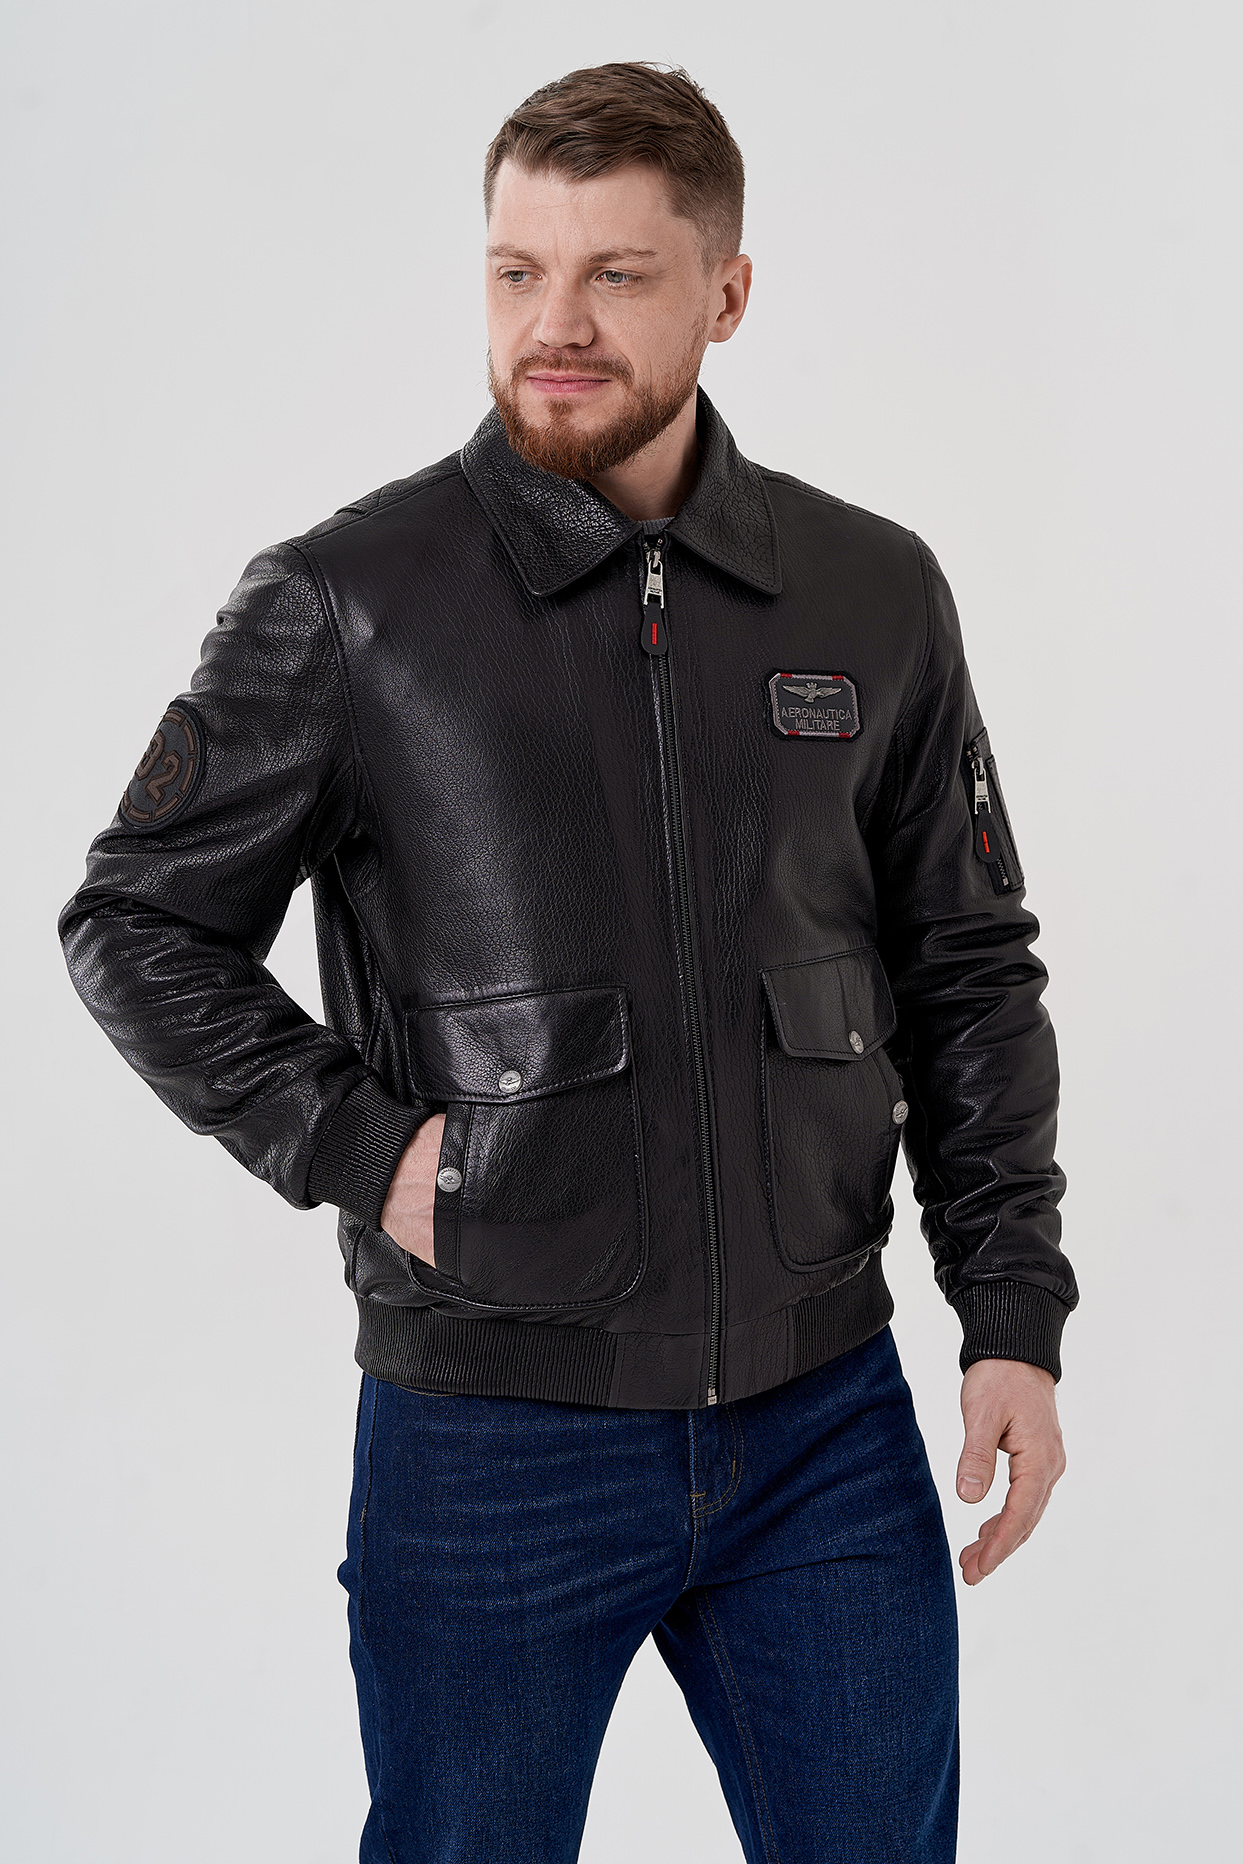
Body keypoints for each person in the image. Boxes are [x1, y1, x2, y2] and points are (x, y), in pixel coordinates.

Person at [58, 61, 1077, 1864]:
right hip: (491, 1434)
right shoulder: (348, 600)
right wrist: (362, 1147)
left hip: (824, 1421)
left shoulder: (873, 592)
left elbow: (969, 966)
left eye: (616, 274)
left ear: (727, 294)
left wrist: (1011, 1317)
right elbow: (135, 921)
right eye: (518, 271)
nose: (556, 326)